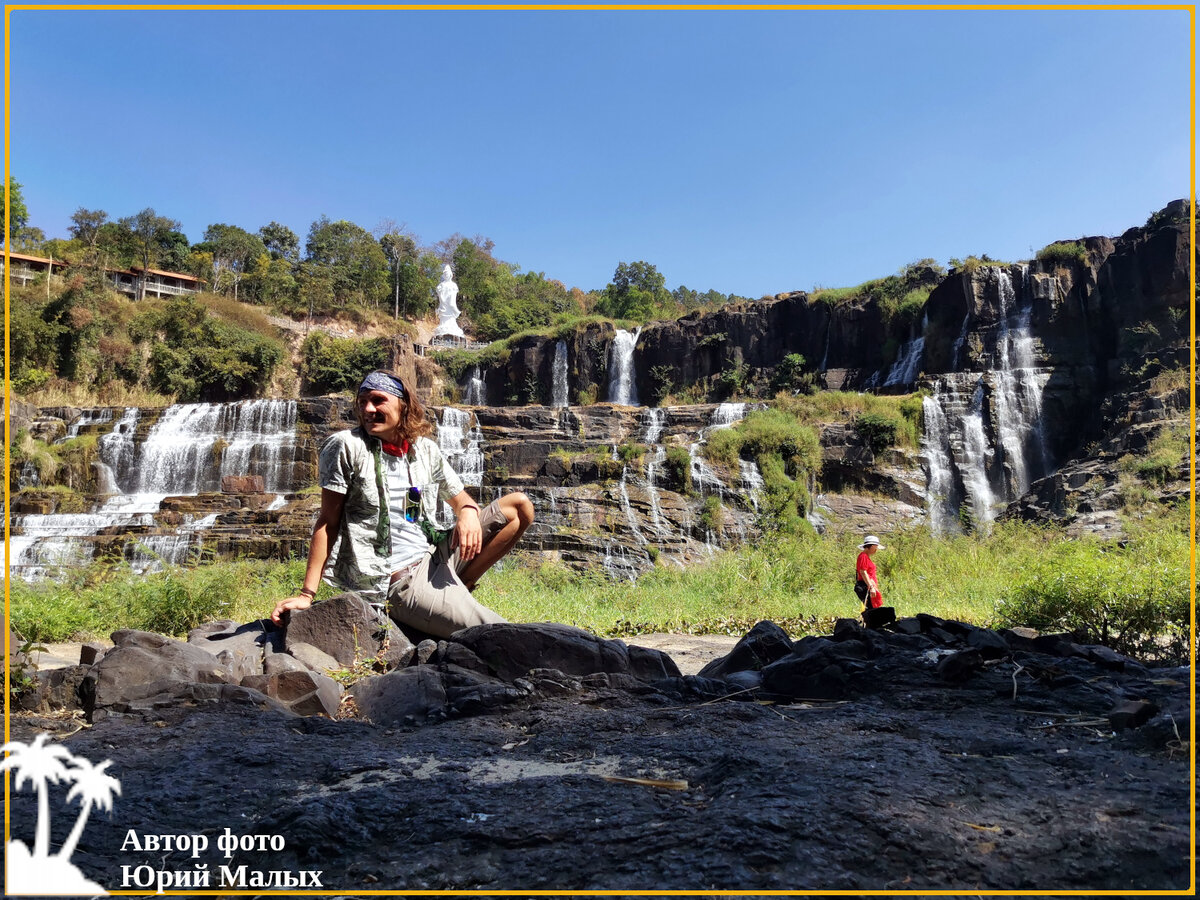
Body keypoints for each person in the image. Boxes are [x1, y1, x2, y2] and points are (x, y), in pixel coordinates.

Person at [271, 370, 535, 638]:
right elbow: (328, 522)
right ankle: (439, 602)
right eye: (362, 402)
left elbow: (462, 499)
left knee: (518, 506)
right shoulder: (345, 446)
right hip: (400, 579)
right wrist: (307, 594)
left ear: (403, 404)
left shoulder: (424, 450)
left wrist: (467, 512)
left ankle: (462, 584)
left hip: (435, 554)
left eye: (377, 400)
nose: (367, 409)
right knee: (504, 634)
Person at [855, 535, 885, 612]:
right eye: (876, 547)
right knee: (871, 610)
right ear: (871, 546)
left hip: (867, 585)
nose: (876, 550)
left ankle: (868, 623)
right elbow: (863, 572)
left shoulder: (865, 557)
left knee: (872, 609)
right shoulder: (863, 556)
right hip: (865, 586)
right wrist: (871, 587)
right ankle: (870, 624)